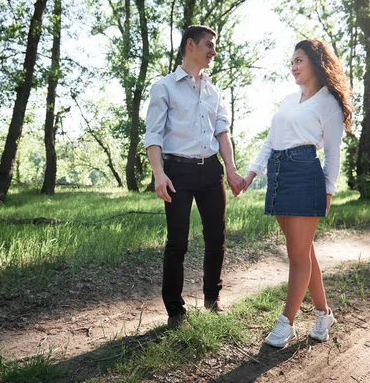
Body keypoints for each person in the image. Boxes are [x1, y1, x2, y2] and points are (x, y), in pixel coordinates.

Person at [242, 39, 353, 347]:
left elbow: (332, 153)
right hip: (279, 174)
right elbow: (270, 140)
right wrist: (252, 173)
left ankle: (286, 322)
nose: (293, 66)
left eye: (299, 60)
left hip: (305, 174)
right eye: (291, 60)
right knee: (303, 251)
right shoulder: (290, 100)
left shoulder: (328, 102)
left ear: (316, 63)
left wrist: (328, 191)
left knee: (297, 254)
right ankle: (323, 313)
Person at [145, 25, 245, 329]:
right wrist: (159, 173)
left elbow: (222, 133)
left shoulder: (214, 91)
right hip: (178, 172)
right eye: (209, 45)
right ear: (191, 45)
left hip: (211, 170)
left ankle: (212, 300)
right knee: (177, 243)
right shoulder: (164, 87)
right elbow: (153, 134)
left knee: (217, 238)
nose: (213, 51)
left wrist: (230, 168)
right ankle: (175, 311)